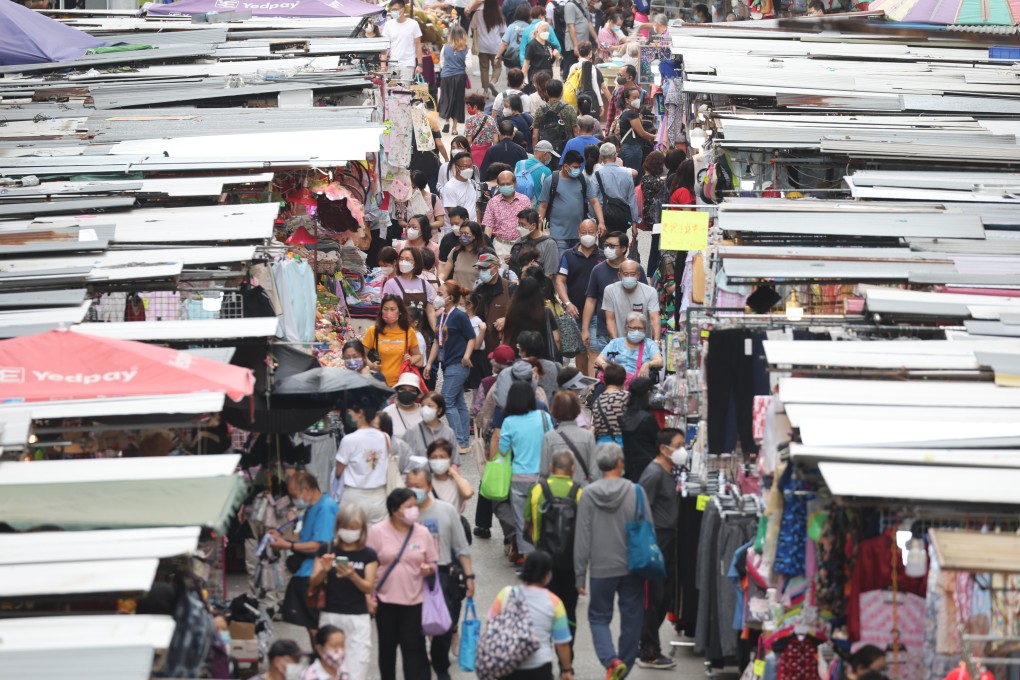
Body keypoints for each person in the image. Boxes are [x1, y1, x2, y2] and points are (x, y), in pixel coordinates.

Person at [573, 442, 654, 680]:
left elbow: (582, 536)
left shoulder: (588, 494)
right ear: (620, 463)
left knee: (598, 617)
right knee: (632, 618)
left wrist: (580, 574)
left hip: (601, 567)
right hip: (633, 566)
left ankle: (611, 661)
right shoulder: (635, 491)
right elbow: (648, 529)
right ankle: (623, 669)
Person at [404, 466, 475, 680]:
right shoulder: (402, 514)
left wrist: (469, 577)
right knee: (414, 637)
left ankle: (442, 668)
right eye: (410, 486)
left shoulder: (446, 511)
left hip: (442, 577)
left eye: (418, 486)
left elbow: (461, 547)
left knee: (443, 633)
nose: (414, 490)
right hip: (411, 580)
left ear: (429, 486)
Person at [367, 489, 438, 680]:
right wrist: (369, 596)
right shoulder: (377, 532)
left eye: (415, 505)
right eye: (409, 507)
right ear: (394, 510)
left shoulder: (422, 533)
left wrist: (427, 569)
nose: (414, 510)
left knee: (413, 649)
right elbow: (369, 564)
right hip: (385, 600)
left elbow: (432, 562)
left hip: (414, 601)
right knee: (387, 649)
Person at [271, 472, 340, 647]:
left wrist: (288, 546)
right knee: (311, 627)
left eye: (295, 495)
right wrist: (281, 539)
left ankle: (325, 664)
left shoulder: (325, 508)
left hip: (316, 573)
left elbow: (319, 545)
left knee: (317, 628)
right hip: (306, 573)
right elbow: (304, 537)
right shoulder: (312, 507)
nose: (294, 500)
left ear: (307, 489)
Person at [311, 504, 378, 680]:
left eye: (354, 528)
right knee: (328, 668)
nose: (349, 531)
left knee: (357, 668)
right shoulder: (326, 550)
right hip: (330, 614)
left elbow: (368, 587)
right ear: (338, 527)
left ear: (362, 529)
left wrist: (352, 575)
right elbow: (313, 583)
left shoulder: (368, 555)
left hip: (358, 617)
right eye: (345, 527)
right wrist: (324, 570)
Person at [637, 428, 685, 670]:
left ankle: (646, 643)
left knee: (664, 596)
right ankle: (649, 651)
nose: (682, 450)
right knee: (655, 597)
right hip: (657, 540)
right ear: (663, 449)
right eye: (678, 446)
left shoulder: (669, 471)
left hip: (668, 538)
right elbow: (641, 509)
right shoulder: (653, 474)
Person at [525, 451, 582, 653]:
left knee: (542, 609)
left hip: (543, 560)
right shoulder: (578, 492)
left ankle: (543, 654)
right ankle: (568, 657)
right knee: (568, 610)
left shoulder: (538, 490)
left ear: (550, 469)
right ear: (572, 470)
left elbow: (527, 525)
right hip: (569, 562)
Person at [487, 551, 574, 680]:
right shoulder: (554, 602)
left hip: (506, 663)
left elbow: (490, 624)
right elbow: (562, 643)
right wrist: (567, 670)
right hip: (538, 667)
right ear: (547, 575)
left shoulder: (506, 593)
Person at [495, 381, 554, 561]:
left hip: (519, 476)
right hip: (543, 476)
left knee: (522, 520)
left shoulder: (509, 421)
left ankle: (527, 558)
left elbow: (503, 450)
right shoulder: (544, 416)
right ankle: (544, 554)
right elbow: (551, 440)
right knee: (543, 517)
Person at [424, 281, 476, 449]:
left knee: (447, 401)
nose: (437, 297)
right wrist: (429, 363)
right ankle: (463, 441)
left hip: (458, 364)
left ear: (450, 298)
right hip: (446, 364)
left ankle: (459, 440)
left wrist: (466, 356)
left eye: (440, 294)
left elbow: (471, 337)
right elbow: (436, 343)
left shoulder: (460, 316)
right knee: (459, 402)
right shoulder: (441, 316)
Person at [581, 232, 647, 361]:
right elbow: (591, 300)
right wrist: (585, 329)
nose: (607, 249)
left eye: (612, 246)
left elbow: (645, 296)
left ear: (623, 248)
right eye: (606, 245)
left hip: (633, 332)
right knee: (603, 369)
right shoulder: (598, 270)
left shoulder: (636, 269)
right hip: (604, 332)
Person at [554, 219, 601, 375]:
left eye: (591, 232)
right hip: (575, 311)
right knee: (580, 351)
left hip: (596, 312)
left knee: (593, 349)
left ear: (597, 233)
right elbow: (560, 281)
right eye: (584, 232)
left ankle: (593, 388)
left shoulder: (602, 257)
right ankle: (584, 385)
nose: (587, 235)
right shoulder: (568, 255)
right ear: (579, 233)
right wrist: (567, 303)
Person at [335, 400, 393, 524]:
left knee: (352, 535)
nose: (349, 412)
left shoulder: (349, 440)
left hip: (355, 496)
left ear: (360, 413)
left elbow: (338, 471)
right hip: (379, 497)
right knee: (376, 538)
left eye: (351, 409)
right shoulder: (384, 437)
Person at [538, 149, 605, 257]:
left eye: (579, 167)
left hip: (580, 235)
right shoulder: (551, 181)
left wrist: (601, 222)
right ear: (565, 166)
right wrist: (539, 229)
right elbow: (543, 206)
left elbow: (594, 201)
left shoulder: (583, 180)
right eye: (575, 167)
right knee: (562, 267)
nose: (578, 170)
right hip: (558, 235)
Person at [362, 295, 423, 387]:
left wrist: (410, 359)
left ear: (400, 312)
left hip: (401, 384)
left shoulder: (408, 332)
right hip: (379, 383)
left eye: (392, 309)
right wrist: (371, 365)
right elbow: (361, 354)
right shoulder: (373, 331)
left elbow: (417, 355)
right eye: (385, 309)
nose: (388, 313)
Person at [541, 390, 597, 484]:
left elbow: (543, 471)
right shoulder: (588, 436)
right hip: (581, 492)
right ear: (577, 409)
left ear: (554, 409)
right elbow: (594, 472)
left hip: (555, 493)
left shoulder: (548, 437)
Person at [503, 273, 560, 362]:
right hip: (542, 358)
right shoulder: (545, 312)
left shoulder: (512, 312)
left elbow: (507, 335)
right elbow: (556, 338)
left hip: (517, 357)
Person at [602, 259, 660, 341]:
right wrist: (616, 342)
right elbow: (610, 319)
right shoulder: (610, 290)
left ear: (638, 276)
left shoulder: (650, 292)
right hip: (621, 341)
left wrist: (656, 341)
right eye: (626, 274)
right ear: (619, 276)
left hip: (644, 342)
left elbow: (655, 319)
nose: (629, 277)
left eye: (633, 274)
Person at [481, 169, 534, 258]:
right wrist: (486, 247)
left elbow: (529, 224)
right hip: (499, 245)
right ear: (498, 185)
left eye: (508, 184)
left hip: (519, 245)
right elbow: (488, 226)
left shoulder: (524, 200)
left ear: (515, 183)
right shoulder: (493, 202)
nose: (505, 186)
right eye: (502, 184)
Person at [383, 247, 438, 332]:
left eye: (408, 259)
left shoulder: (425, 285)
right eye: (401, 259)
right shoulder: (391, 284)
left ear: (416, 263)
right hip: (399, 332)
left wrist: (435, 333)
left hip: (422, 332)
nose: (403, 262)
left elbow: (430, 312)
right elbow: (386, 311)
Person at [595, 312, 663, 380]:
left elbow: (659, 361)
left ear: (645, 330)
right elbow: (598, 359)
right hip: (615, 380)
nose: (637, 331)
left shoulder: (649, 344)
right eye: (633, 328)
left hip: (637, 382)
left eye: (640, 328)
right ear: (626, 329)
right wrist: (605, 366)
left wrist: (647, 364)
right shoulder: (615, 343)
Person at [473, 251, 516, 351]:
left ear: (496, 268)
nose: (482, 271)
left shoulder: (510, 288)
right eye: (480, 268)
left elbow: (523, 313)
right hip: (481, 347)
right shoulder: (478, 291)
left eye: (485, 268)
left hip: (504, 348)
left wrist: (507, 319)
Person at [594, 143, 641, 233]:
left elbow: (594, 200)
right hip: (622, 216)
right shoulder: (627, 174)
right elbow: (632, 200)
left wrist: (597, 218)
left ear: (601, 157)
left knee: (604, 244)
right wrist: (634, 223)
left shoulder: (597, 175)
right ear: (615, 156)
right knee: (621, 243)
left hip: (604, 218)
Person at [620, 376, 659, 482]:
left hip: (628, 466)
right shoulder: (647, 419)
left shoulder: (624, 416)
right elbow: (656, 442)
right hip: (646, 467)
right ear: (648, 393)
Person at [400, 390, 458, 460]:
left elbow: (454, 459)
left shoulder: (448, 432)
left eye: (430, 405)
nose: (425, 409)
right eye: (423, 406)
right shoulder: (412, 431)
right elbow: (403, 458)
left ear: (439, 410)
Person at [635, 151, 667, 274]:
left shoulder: (645, 179)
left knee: (655, 245)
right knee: (656, 247)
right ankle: (653, 271)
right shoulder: (656, 182)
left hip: (648, 216)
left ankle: (651, 271)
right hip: (655, 218)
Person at [616, 87, 656, 178]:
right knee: (634, 177)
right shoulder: (631, 114)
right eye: (634, 98)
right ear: (627, 100)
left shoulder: (624, 113)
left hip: (626, 148)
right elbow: (642, 133)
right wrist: (656, 137)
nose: (637, 100)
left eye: (638, 97)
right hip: (632, 149)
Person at [531, 79, 576, 160]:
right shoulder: (569, 109)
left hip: (545, 151)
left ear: (547, 92)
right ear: (562, 92)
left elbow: (535, 136)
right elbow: (576, 132)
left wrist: (536, 154)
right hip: (566, 150)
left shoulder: (540, 109)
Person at [426, 438, 475, 510]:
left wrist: (454, 473)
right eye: (434, 457)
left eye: (442, 457)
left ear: (450, 459)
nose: (438, 460)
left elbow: (468, 493)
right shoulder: (426, 482)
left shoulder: (457, 482)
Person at [381, 0, 423, 82]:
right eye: (392, 10)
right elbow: (384, 47)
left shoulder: (413, 24)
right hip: (392, 65)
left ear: (403, 9)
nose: (393, 12)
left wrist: (420, 64)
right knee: (392, 90)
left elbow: (418, 46)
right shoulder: (388, 25)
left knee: (404, 91)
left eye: (395, 9)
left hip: (407, 65)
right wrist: (383, 65)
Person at [438, 27, 469, 136]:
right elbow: (468, 65)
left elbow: (441, 62)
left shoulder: (445, 47)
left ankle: (446, 121)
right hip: (459, 77)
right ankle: (454, 128)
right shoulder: (466, 50)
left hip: (446, 77)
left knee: (446, 99)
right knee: (457, 102)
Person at [472, 0, 506, 97]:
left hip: (482, 47)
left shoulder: (477, 14)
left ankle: (485, 91)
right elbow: (503, 31)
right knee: (497, 67)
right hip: (496, 47)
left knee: (484, 69)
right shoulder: (499, 15)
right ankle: (493, 82)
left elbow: (473, 27)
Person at [442, 220, 488, 290]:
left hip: (474, 296)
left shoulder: (483, 255)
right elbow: (444, 274)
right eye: (461, 233)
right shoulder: (455, 251)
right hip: (457, 296)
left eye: (466, 234)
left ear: (474, 236)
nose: (463, 236)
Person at [481, 127, 529, 194]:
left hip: (494, 187)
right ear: (513, 134)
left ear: (499, 134)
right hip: (513, 186)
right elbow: (525, 170)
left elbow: (484, 172)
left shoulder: (491, 150)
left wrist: (484, 187)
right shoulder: (521, 150)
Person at [440, 151, 480, 228]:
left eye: (470, 166)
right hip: (459, 230)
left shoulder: (472, 183)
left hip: (472, 229)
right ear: (456, 167)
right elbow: (454, 215)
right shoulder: (450, 187)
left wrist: (478, 225)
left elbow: (475, 206)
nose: (469, 169)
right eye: (465, 166)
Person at [515, 208, 559, 277]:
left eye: (523, 225)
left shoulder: (549, 244)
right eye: (519, 224)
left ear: (533, 226)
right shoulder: (519, 241)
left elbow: (549, 274)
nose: (520, 228)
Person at [605, 65, 649, 133]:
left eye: (621, 75)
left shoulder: (643, 94)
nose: (618, 77)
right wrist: (607, 132)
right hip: (617, 133)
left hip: (634, 134)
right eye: (618, 75)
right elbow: (611, 113)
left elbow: (647, 118)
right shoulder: (616, 92)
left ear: (629, 78)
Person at [382, 372, 424, 441]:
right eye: (403, 389)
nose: (407, 393)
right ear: (397, 391)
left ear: (417, 393)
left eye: (412, 390)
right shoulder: (387, 412)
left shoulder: (425, 412)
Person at [592, 363, 627, 445]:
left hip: (601, 445)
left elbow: (596, 425)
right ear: (624, 380)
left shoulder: (598, 400)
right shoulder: (625, 397)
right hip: (621, 443)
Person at [515, 140, 557, 208]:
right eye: (550, 155)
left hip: (517, 207)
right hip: (534, 210)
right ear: (545, 155)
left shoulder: (519, 163)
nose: (551, 158)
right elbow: (548, 194)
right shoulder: (546, 171)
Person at [561, 0, 596, 78]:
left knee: (582, 68)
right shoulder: (570, 5)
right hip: (574, 44)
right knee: (572, 68)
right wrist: (576, 46)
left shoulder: (584, 3)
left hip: (584, 43)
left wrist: (596, 38)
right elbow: (570, 26)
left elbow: (588, 22)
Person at [497, 8, 532, 78]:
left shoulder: (511, 27)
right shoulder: (530, 28)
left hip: (512, 56)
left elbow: (504, 43)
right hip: (526, 56)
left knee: (513, 76)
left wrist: (498, 55)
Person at [464, 94, 499, 163]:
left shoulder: (470, 120)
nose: (468, 109)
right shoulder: (491, 119)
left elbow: (469, 140)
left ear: (475, 107)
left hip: (474, 153)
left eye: (469, 106)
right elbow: (495, 140)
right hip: (488, 152)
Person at [523, 21, 559, 86]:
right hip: (536, 76)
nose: (546, 32)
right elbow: (526, 63)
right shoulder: (531, 45)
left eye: (547, 31)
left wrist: (557, 57)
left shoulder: (549, 45)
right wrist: (522, 80)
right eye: (544, 30)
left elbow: (552, 61)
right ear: (537, 32)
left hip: (548, 76)